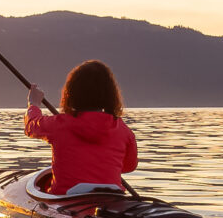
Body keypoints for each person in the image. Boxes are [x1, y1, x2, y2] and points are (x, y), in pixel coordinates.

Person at [25, 60, 138, 195]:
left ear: (71, 93)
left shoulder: (60, 124)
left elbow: (31, 126)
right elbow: (129, 166)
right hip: (113, 199)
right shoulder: (123, 131)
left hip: (64, 199)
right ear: (110, 95)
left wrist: (34, 104)